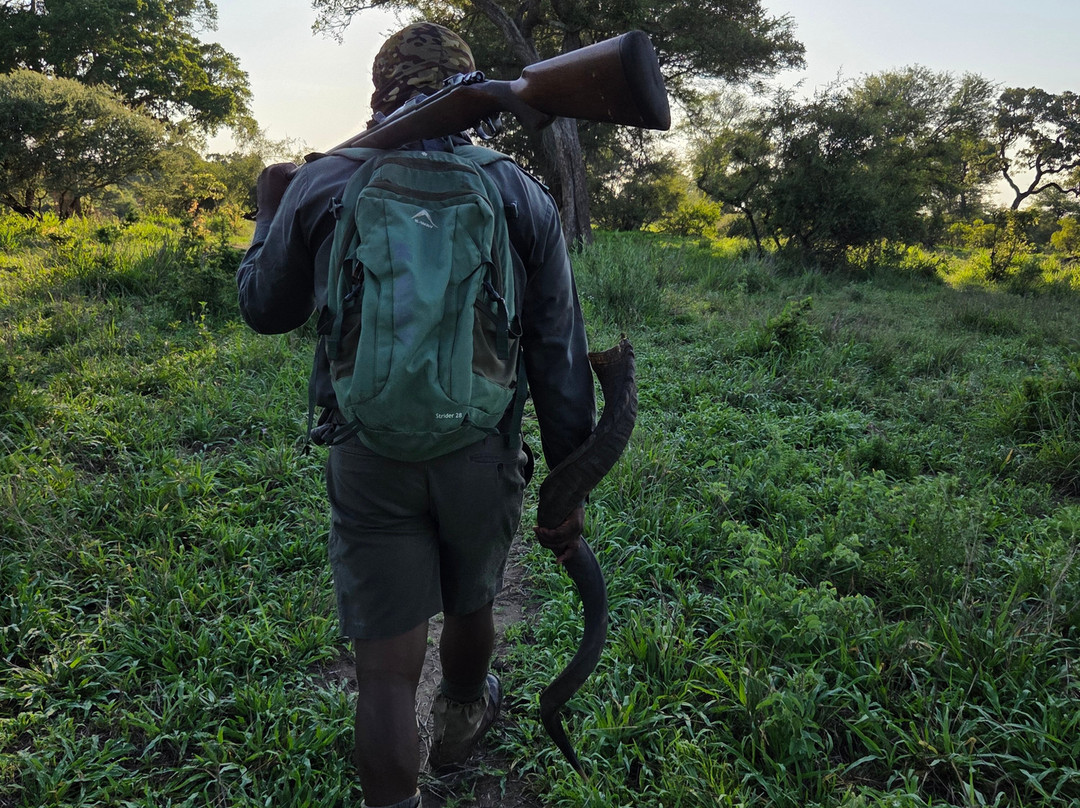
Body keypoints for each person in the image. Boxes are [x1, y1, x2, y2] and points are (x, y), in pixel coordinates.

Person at [236, 22, 595, 808]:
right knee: (472, 598)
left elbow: (265, 308)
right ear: (471, 94)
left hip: (368, 451)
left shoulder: (326, 181)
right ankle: (463, 715)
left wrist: (269, 211)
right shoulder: (516, 189)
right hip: (482, 446)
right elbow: (557, 350)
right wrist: (566, 491)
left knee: (385, 676)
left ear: (378, 93)